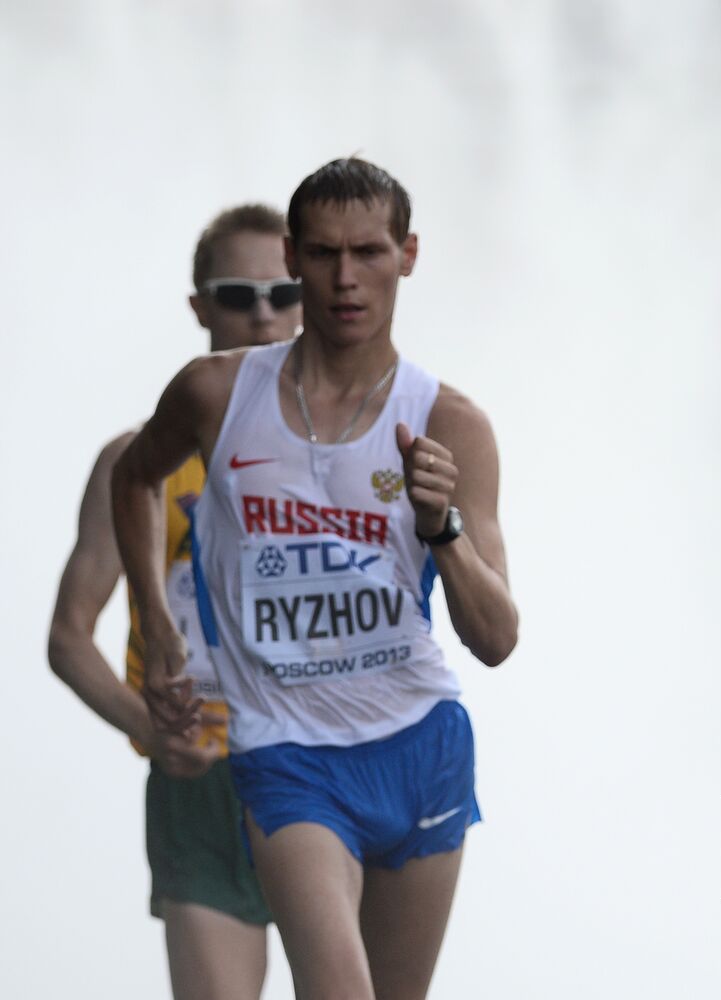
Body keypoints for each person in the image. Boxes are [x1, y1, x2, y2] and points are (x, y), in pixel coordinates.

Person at [111, 157, 518, 1000]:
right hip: (285, 751)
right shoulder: (216, 393)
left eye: (368, 251)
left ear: (407, 254)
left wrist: (439, 527)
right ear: (293, 257)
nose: (345, 278)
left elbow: (496, 638)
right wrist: (157, 628)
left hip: (417, 743)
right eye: (325, 254)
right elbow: (134, 477)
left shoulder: (450, 422)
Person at [49, 203, 300, 999]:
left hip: (325, 768)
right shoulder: (134, 463)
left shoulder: (355, 449)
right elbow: (68, 637)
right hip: (200, 779)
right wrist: (146, 729)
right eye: (237, 293)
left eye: (284, 290)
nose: (263, 313)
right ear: (199, 306)